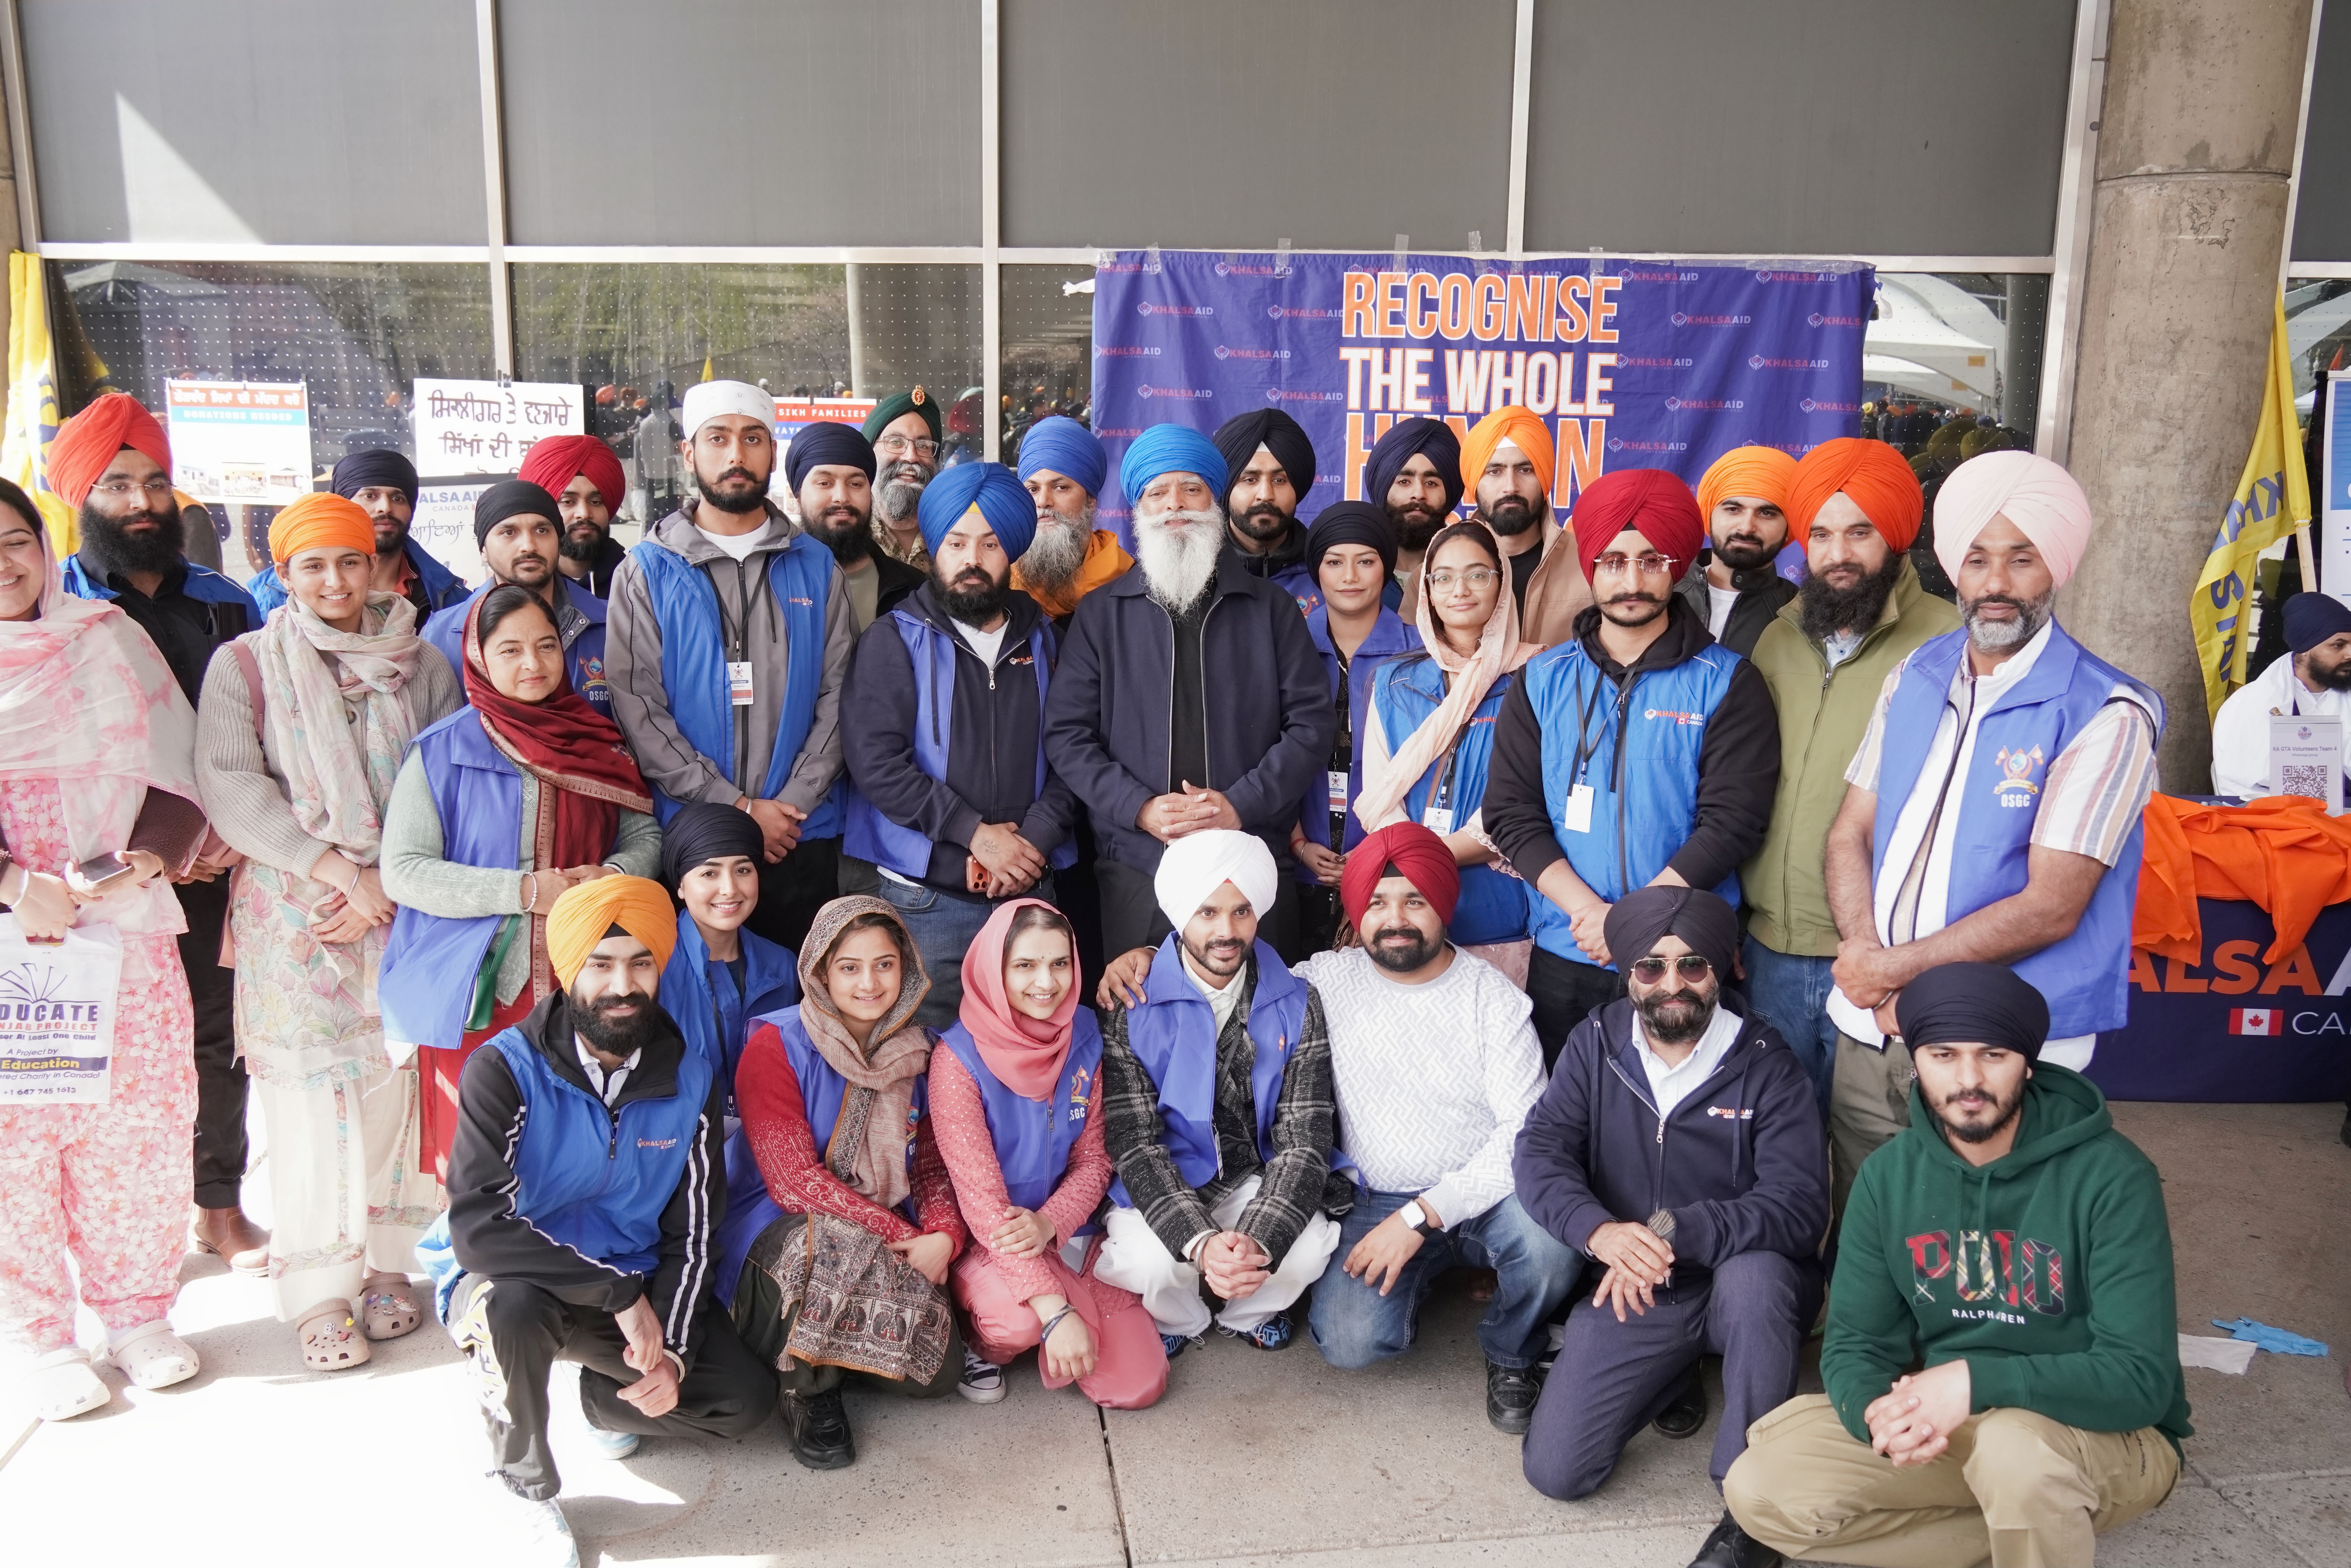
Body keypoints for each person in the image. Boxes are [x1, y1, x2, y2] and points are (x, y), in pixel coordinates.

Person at [1724, 964, 2189, 1568]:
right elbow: (1857, 1344)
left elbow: (2140, 1380)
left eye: (1993, 1054)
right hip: (1956, 1421)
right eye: (1944, 1054)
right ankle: (2021, 1530)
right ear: (1916, 1062)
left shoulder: (2112, 1175)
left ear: (2027, 1062)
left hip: (2106, 1431)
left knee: (2013, 1452)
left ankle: (2031, 1515)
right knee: (1762, 1484)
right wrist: (1877, 1415)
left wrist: (1973, 1381)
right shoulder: (1890, 1177)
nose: (1969, 1079)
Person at [1824, 452, 2160, 1218]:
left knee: (1988, 1261)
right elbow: (1850, 830)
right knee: (1866, 1233)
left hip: (2007, 1044)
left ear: (2057, 567)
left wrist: (1890, 973)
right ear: (1952, 569)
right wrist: (1863, 955)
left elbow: (2050, 906)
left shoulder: (2107, 712)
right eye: (1975, 558)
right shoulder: (1914, 673)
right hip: (1873, 1027)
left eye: (2021, 557)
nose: (1995, 583)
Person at [419, 877, 769, 1568]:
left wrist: (670, 1349)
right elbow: (480, 1228)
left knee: (743, 1400)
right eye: (602, 963)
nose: (623, 983)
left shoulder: (690, 1078)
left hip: (629, 1282)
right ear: (567, 967)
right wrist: (620, 1297)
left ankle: (599, 1399)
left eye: (641, 962)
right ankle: (521, 1484)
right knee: (511, 1310)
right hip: (521, 1275)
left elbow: (695, 1230)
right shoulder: (505, 1068)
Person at [195, 492, 460, 1370]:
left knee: (397, 1093)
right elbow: (235, 786)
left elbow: (445, 776)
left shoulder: (421, 662)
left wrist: (383, 875)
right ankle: (318, 1294)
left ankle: (389, 1269)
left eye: (351, 560)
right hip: (296, 912)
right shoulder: (246, 664)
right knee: (310, 1106)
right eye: (313, 564)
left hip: (400, 902)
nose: (336, 579)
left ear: (377, 562)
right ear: (282, 572)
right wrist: (339, 870)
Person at [1514, 888, 1828, 1568]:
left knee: (1755, 1273)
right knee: (1555, 1470)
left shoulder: (1766, 1061)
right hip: (1639, 1281)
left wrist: (1668, 1229)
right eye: (1650, 967)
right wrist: (1598, 1232)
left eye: (1692, 965)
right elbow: (1538, 1153)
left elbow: (1800, 1204)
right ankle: (1669, 1363)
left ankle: (1749, 1502)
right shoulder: (1595, 1043)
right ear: (1627, 973)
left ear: (1723, 967)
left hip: (1744, 1283)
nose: (1671, 983)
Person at [0, 481, 210, 1421]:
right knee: (17, 1142)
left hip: (121, 922)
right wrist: (15, 884)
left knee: (142, 1123)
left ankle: (138, 1314)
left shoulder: (107, 639)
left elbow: (182, 765)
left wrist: (145, 856)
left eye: (14, 541)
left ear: (44, 546)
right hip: (15, 935)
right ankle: (41, 1335)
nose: (5, 564)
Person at [51, 393, 267, 1273]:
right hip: (94, 879)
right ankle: (114, 1232)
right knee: (106, 1053)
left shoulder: (225, 604)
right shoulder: (54, 609)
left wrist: (229, 836)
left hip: (215, 863)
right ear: (80, 500)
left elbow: (265, 723)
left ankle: (218, 1204)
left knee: (219, 1038)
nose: (141, 502)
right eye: (117, 486)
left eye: (155, 483)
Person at [1484, 469, 1779, 1066]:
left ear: (1677, 567)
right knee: (1570, 1126)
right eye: (1614, 561)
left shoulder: (1727, 682)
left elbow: (1732, 823)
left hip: (1684, 955)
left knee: (1679, 1133)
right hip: (1573, 947)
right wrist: (1591, 914)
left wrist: (1637, 923)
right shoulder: (1541, 680)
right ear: (1591, 566)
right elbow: (1512, 814)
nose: (1632, 580)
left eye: (1651, 561)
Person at [1300, 824, 1577, 1434]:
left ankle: (1514, 1350)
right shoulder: (1328, 978)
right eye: (1377, 901)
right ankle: (1424, 1275)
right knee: (1349, 1343)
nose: (1395, 918)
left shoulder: (1490, 997)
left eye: (1415, 900)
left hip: (1487, 1196)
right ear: (1356, 910)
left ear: (1442, 905)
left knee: (1552, 1245)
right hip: (1375, 1199)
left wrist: (1423, 1216)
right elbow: (1231, 980)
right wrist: (1150, 958)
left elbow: (1523, 1133)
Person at [381, 583, 659, 1188]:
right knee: (480, 1150)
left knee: (576, 1145)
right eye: (510, 650)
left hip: (581, 982)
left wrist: (611, 877)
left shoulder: (599, 740)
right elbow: (404, 870)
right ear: (478, 658)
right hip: (479, 987)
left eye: (546, 646)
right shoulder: (442, 750)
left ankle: (571, 1272)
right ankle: (482, 1277)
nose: (532, 664)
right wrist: (526, 891)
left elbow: (646, 840)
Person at [1043, 424, 1336, 959]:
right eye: (1157, 492)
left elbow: (1311, 726)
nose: (1174, 505)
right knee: (1142, 1028)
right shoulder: (1101, 615)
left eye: (1191, 489)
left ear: (1215, 502)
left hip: (1249, 859)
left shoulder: (1271, 610)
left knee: (1257, 1028)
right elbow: (1067, 737)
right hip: (1138, 865)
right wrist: (1139, 808)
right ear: (1138, 509)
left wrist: (1240, 806)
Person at [714, 896, 968, 1469]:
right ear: (820, 972)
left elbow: (930, 1165)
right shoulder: (776, 1044)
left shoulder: (922, 1051)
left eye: (884, 963)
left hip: (885, 1234)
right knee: (825, 1247)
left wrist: (944, 1237)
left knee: (938, 1373)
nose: (869, 983)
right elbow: (793, 1181)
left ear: (907, 966)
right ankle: (807, 1389)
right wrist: (895, 1235)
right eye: (849, 967)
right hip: (777, 1232)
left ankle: (818, 1349)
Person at [1741, 439, 1955, 1116]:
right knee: (1775, 1151)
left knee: (1874, 1151)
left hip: (1885, 954)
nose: (1836, 554)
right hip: (1769, 947)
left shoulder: (1946, 642)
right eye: (1822, 533)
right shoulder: (1778, 635)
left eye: (1858, 531)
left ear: (1894, 535)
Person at [606, 378, 854, 954]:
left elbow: (840, 697)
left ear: (773, 451)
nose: (736, 455)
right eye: (717, 439)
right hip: (692, 840)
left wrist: (787, 808)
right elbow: (639, 709)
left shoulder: (816, 567)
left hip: (798, 839)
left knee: (794, 1018)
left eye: (752, 439)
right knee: (694, 1012)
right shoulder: (646, 572)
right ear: (689, 454)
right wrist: (738, 810)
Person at [843, 462, 1077, 1025]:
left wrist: (1033, 843)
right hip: (927, 902)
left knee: (1027, 1053)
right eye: (956, 542)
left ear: (1013, 551)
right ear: (933, 547)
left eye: (991, 543)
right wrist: (975, 835)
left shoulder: (1049, 640)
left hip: (1030, 888)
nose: (972, 561)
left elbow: (1077, 752)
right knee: (922, 1063)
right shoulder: (893, 639)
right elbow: (877, 764)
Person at [1091, 831, 1343, 1353]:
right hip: (1167, 1176)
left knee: (1307, 1246)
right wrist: (1202, 1243)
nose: (1226, 931)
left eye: (1241, 912)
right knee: (1149, 1261)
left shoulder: (1300, 1001)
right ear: (1181, 916)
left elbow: (1304, 1138)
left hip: (1253, 1175)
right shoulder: (1130, 1004)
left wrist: (1258, 1240)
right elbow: (1134, 1140)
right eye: (1206, 913)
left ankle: (1248, 1313)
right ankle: (1178, 1322)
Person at [932, 899, 1170, 1409]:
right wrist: (1055, 1312)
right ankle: (982, 1342)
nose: (1047, 982)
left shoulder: (1084, 1033)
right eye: (1025, 965)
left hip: (1073, 1233)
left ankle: (1068, 1312)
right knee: (1017, 1322)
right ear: (995, 971)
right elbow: (981, 1202)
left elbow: (1095, 1159)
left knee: (1139, 1385)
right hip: (990, 1240)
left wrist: (1050, 1225)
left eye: (1060, 963)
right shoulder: (956, 1059)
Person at [1356, 519, 1543, 984]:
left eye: (1478, 574)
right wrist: (1415, 865)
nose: (1460, 589)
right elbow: (1379, 794)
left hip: (1495, 904)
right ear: (1427, 591)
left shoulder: (1541, 677)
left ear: (1502, 585)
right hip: (1402, 903)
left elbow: (1526, 799)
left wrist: (1422, 857)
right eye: (1443, 577)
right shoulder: (1393, 680)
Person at [1288, 503, 1418, 948]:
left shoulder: (1418, 654)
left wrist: (1384, 849)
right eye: (1334, 562)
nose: (1350, 577)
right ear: (1316, 571)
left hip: (1391, 872)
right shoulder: (1284, 648)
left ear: (1386, 569)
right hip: (1297, 869)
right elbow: (1263, 752)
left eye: (1365, 561)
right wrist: (1297, 844)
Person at [422, 479, 614, 717]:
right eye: (509, 532)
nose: (528, 546)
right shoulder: (440, 634)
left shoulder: (612, 623)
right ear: (483, 550)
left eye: (542, 530)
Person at [658, 802, 800, 1109]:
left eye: (743, 870)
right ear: (680, 885)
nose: (729, 888)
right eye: (710, 872)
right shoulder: (653, 968)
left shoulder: (783, 965)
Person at [247, 449, 465, 620]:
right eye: (370, 496)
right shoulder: (270, 595)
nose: (385, 508)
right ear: (342, 505)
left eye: (398, 498)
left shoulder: (449, 596)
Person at [1463, 406, 1595, 645]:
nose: (1511, 487)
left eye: (1525, 470)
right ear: (1474, 483)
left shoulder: (1589, 564)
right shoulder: (1438, 569)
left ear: (1544, 478)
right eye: (1494, 471)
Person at [782, 420, 924, 636]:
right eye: (825, 483)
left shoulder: (915, 590)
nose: (842, 497)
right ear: (798, 494)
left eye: (855, 484)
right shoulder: (773, 580)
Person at [2211, 591, 2351, 798]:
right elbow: (2236, 785)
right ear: (2304, 649)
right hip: (2280, 820)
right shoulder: (2248, 704)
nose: (2349, 654)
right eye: (2338, 646)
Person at [1673, 446, 1799, 658]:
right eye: (1733, 510)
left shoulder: (1801, 613)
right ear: (1709, 517)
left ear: (1789, 528)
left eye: (1767, 513)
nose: (1747, 527)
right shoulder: (1662, 593)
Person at [1011, 414, 1132, 625]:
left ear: (1091, 500)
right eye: (1033, 489)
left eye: (1061, 488)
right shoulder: (1001, 583)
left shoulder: (1128, 584)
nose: (1043, 502)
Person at [1214, 407, 1321, 614]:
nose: (1266, 494)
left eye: (1280, 480)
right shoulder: (1197, 573)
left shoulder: (1327, 570)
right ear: (1227, 488)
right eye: (1250, 479)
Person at [1363, 415, 1463, 620]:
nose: (1419, 493)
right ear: (1383, 487)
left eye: (1432, 483)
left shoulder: (1467, 569)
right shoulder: (1356, 570)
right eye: (1404, 481)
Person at [519, 433, 629, 598]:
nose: (584, 514)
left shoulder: (636, 581)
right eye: (568, 502)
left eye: (596, 502)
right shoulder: (519, 589)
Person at [863, 388, 943, 569]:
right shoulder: (849, 535)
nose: (911, 456)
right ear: (869, 454)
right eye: (896, 442)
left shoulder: (952, 534)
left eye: (923, 446)